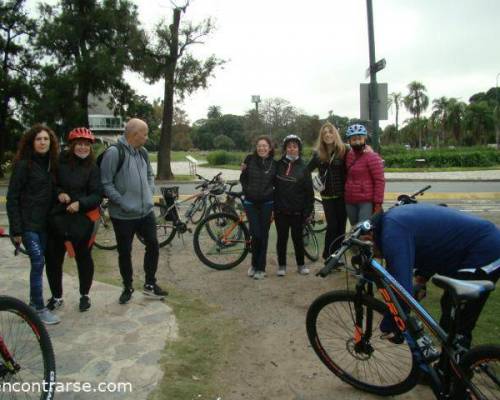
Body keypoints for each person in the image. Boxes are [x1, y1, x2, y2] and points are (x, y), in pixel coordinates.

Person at [370, 203, 500, 348]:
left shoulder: (392, 234)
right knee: (449, 310)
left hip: (485, 251)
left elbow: (401, 288)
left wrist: (390, 324)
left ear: (371, 237)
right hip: (481, 242)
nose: (376, 256)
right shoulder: (393, 219)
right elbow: (431, 243)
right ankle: (456, 361)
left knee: (455, 323)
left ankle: (459, 365)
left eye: (373, 253)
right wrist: (421, 280)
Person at [100, 118, 167, 304]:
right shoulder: (114, 153)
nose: (146, 137)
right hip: (123, 215)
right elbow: (106, 183)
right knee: (124, 251)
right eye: (144, 134)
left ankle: (150, 284)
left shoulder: (143, 152)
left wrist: (149, 189)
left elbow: (149, 174)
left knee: (153, 245)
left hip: (145, 212)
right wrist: (123, 202)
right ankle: (127, 286)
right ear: (134, 134)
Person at [6, 124, 60, 325]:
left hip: (45, 225)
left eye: (46, 139)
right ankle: (38, 307)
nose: (43, 142)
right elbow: (12, 197)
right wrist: (16, 229)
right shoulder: (24, 165)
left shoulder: (51, 165)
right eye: (39, 139)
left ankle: (31, 303)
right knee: (38, 262)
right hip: (28, 224)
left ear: (51, 142)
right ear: (31, 142)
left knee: (39, 263)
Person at [45, 128, 103, 312]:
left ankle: (84, 294)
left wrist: (81, 203)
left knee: (84, 258)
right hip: (59, 218)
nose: (82, 148)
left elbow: (97, 194)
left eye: (86, 144)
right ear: (72, 145)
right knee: (53, 259)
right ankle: (57, 296)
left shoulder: (93, 168)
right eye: (79, 144)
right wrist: (59, 193)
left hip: (82, 219)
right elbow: (52, 184)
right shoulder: (59, 163)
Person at [274, 134, 314, 276]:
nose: (292, 149)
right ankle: (282, 265)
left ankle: (301, 265)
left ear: (299, 149)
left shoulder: (304, 167)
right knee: (282, 239)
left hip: (298, 212)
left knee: (298, 239)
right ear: (285, 149)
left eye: (294, 147)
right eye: (289, 147)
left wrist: (309, 211)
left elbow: (309, 192)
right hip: (281, 211)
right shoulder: (278, 165)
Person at [307, 122, 348, 260]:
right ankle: (328, 255)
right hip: (327, 196)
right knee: (332, 226)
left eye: (330, 132)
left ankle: (338, 256)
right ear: (322, 136)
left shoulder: (344, 150)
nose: (328, 135)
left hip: (343, 195)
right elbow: (305, 170)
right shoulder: (318, 154)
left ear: (335, 133)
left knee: (341, 227)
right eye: (324, 133)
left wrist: (367, 150)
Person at [240, 136, 277, 280]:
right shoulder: (249, 159)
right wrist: (247, 190)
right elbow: (242, 178)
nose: (262, 148)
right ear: (256, 147)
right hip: (250, 203)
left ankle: (261, 268)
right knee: (255, 234)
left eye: (265, 145)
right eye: (259, 145)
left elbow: (278, 183)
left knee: (264, 234)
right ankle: (254, 265)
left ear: (270, 147)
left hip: (267, 203)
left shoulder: (274, 163)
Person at [344, 124, 385, 226]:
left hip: (365, 201)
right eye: (354, 139)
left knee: (363, 230)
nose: (357, 142)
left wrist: (378, 203)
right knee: (354, 229)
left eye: (359, 139)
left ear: (365, 138)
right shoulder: (349, 155)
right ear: (349, 141)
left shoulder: (372, 157)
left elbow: (379, 181)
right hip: (350, 200)